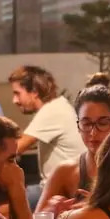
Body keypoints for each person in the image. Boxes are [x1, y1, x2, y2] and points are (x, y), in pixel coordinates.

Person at [35, 82, 110, 216]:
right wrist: (51, 211)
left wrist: (100, 208)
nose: (93, 133)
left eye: (103, 123)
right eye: (86, 124)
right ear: (78, 126)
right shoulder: (65, 172)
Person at [8, 65, 87, 208]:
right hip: (61, 186)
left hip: (60, 191)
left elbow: (15, 148)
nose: (14, 100)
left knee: (3, 206)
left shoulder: (52, 111)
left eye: (17, 93)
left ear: (34, 92)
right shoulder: (57, 106)